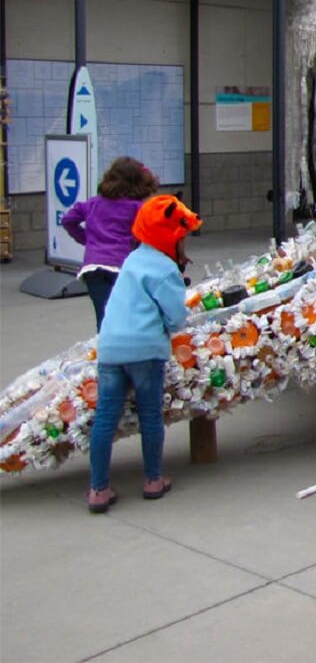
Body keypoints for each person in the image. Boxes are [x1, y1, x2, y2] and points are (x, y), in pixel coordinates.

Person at [88, 194, 201, 514]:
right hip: (145, 350)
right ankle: (153, 479)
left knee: (106, 417)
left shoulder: (133, 260)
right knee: (150, 414)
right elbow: (176, 318)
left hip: (110, 347)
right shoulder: (165, 269)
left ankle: (98, 488)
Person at [61, 157, 159, 330]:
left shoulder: (92, 203)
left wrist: (87, 239)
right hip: (123, 267)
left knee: (104, 317)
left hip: (93, 268)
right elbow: (149, 237)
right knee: (127, 315)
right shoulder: (137, 208)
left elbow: (68, 220)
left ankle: (105, 351)